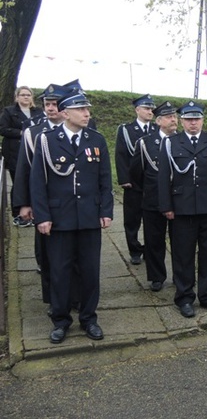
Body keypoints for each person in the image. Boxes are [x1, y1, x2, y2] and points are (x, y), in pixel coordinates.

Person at [30, 87, 114, 344]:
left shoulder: (96, 140)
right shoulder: (46, 140)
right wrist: (42, 216)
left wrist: (106, 211)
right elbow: (38, 182)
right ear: (66, 113)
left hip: (89, 217)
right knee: (60, 272)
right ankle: (60, 320)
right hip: (59, 218)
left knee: (90, 272)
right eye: (81, 109)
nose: (87, 113)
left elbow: (104, 180)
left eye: (87, 109)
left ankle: (89, 318)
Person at [158, 101, 207, 318]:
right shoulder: (171, 143)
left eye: (197, 119)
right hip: (181, 209)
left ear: (202, 120)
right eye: (189, 119)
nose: (193, 123)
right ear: (181, 121)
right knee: (183, 255)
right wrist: (166, 206)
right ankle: (184, 297)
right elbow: (164, 178)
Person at [12, 84, 68, 310]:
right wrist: (24, 203)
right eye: (47, 105)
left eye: (55, 104)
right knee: (48, 253)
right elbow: (23, 169)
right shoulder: (33, 132)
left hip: (73, 202)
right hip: (44, 201)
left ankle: (75, 296)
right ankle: (53, 299)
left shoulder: (83, 129)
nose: (51, 109)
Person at [130, 101, 178, 292]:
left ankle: (180, 274)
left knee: (180, 241)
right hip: (153, 200)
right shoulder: (145, 143)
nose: (174, 120)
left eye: (174, 116)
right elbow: (136, 173)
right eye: (169, 117)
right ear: (158, 121)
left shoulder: (182, 140)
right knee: (153, 240)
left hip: (178, 201)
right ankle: (157, 276)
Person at [116, 94, 156, 265]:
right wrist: (124, 178)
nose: (150, 111)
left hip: (152, 182)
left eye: (151, 109)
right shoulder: (126, 129)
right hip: (133, 182)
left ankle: (149, 249)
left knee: (151, 220)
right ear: (137, 110)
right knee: (132, 219)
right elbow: (121, 154)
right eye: (146, 108)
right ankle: (134, 250)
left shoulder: (156, 129)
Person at [0, 85, 44, 226]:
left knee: (34, 181)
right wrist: (21, 133)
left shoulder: (38, 112)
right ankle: (18, 213)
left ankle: (34, 211)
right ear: (17, 97)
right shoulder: (9, 111)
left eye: (28, 95)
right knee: (18, 181)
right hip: (15, 151)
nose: (26, 97)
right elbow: (3, 129)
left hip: (34, 150)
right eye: (23, 95)